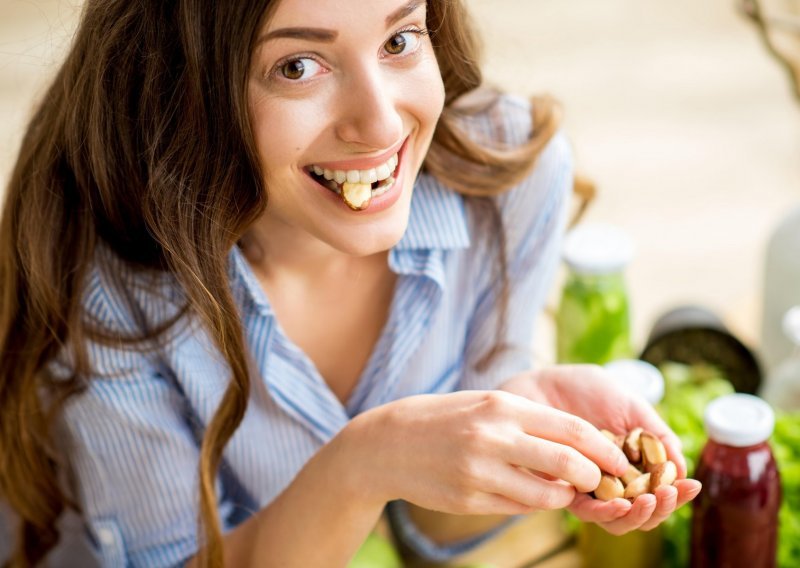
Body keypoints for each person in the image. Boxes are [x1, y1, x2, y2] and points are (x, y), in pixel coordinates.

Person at [0, 0, 701, 566]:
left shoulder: (510, 183)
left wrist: (503, 418)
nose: (380, 123)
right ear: (181, 86)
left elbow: (435, 536)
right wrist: (366, 462)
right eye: (298, 65)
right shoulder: (105, 286)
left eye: (399, 40)